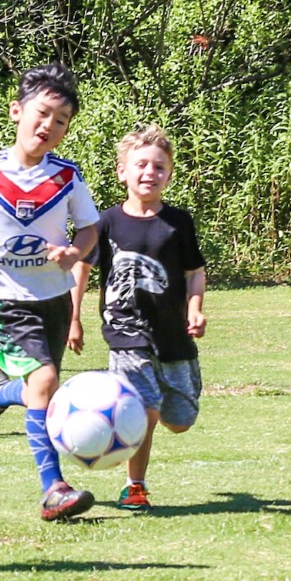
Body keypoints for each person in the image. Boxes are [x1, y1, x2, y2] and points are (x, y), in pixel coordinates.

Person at [0, 62, 102, 522]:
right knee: (46, 381)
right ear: (17, 111)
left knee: (43, 390)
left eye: (60, 121)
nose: (48, 126)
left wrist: (75, 252)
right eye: (41, 114)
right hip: (7, 299)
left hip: (52, 299)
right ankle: (52, 488)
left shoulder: (66, 176)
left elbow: (91, 227)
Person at [80, 127, 207, 510]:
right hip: (125, 334)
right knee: (144, 411)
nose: (149, 172)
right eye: (141, 165)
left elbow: (194, 272)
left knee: (179, 419)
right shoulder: (106, 223)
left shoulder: (178, 223)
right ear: (122, 171)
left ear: (169, 174)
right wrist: (73, 319)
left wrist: (196, 308)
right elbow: (81, 272)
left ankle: (151, 422)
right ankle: (135, 486)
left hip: (173, 337)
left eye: (159, 166)